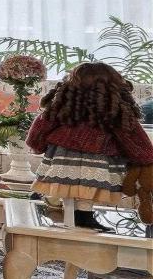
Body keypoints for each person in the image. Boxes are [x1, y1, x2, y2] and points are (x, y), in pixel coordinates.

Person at [25, 62, 153, 225]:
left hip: (62, 158)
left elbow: (39, 129)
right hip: (97, 161)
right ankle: (82, 215)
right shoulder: (116, 112)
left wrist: (37, 145)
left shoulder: (62, 108)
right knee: (89, 188)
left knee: (63, 184)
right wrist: (145, 158)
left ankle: (60, 204)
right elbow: (134, 138)